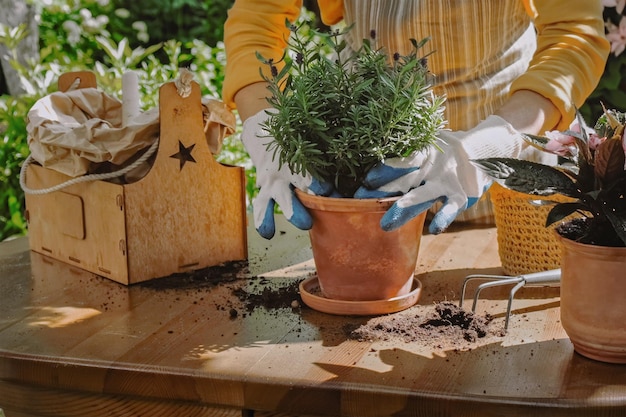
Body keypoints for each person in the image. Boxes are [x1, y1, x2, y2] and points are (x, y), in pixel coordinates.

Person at [222, 1, 610, 239]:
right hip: (369, 191)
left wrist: (493, 143)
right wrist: (264, 126)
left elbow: (574, 36)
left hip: (504, 202)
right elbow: (257, 23)